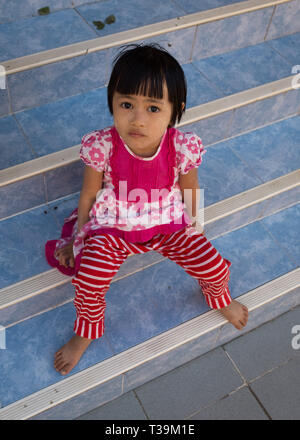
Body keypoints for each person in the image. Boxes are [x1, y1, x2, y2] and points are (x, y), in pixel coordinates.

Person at [46, 44, 248, 376]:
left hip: (167, 224)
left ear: (175, 110)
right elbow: (89, 196)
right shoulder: (103, 146)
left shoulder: (182, 147)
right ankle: (85, 332)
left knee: (213, 266)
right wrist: (76, 241)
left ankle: (220, 299)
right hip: (114, 227)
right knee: (89, 279)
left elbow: (191, 191)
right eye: (126, 104)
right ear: (112, 100)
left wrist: (196, 233)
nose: (137, 119)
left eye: (153, 108)